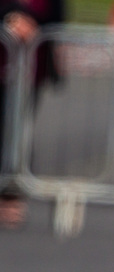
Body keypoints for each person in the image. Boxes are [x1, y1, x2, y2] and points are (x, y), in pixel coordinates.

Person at [0, 0, 64, 230]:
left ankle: (11, 194)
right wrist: (11, 17)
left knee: (18, 132)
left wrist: (35, 26)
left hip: (31, 71)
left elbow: (57, 19)